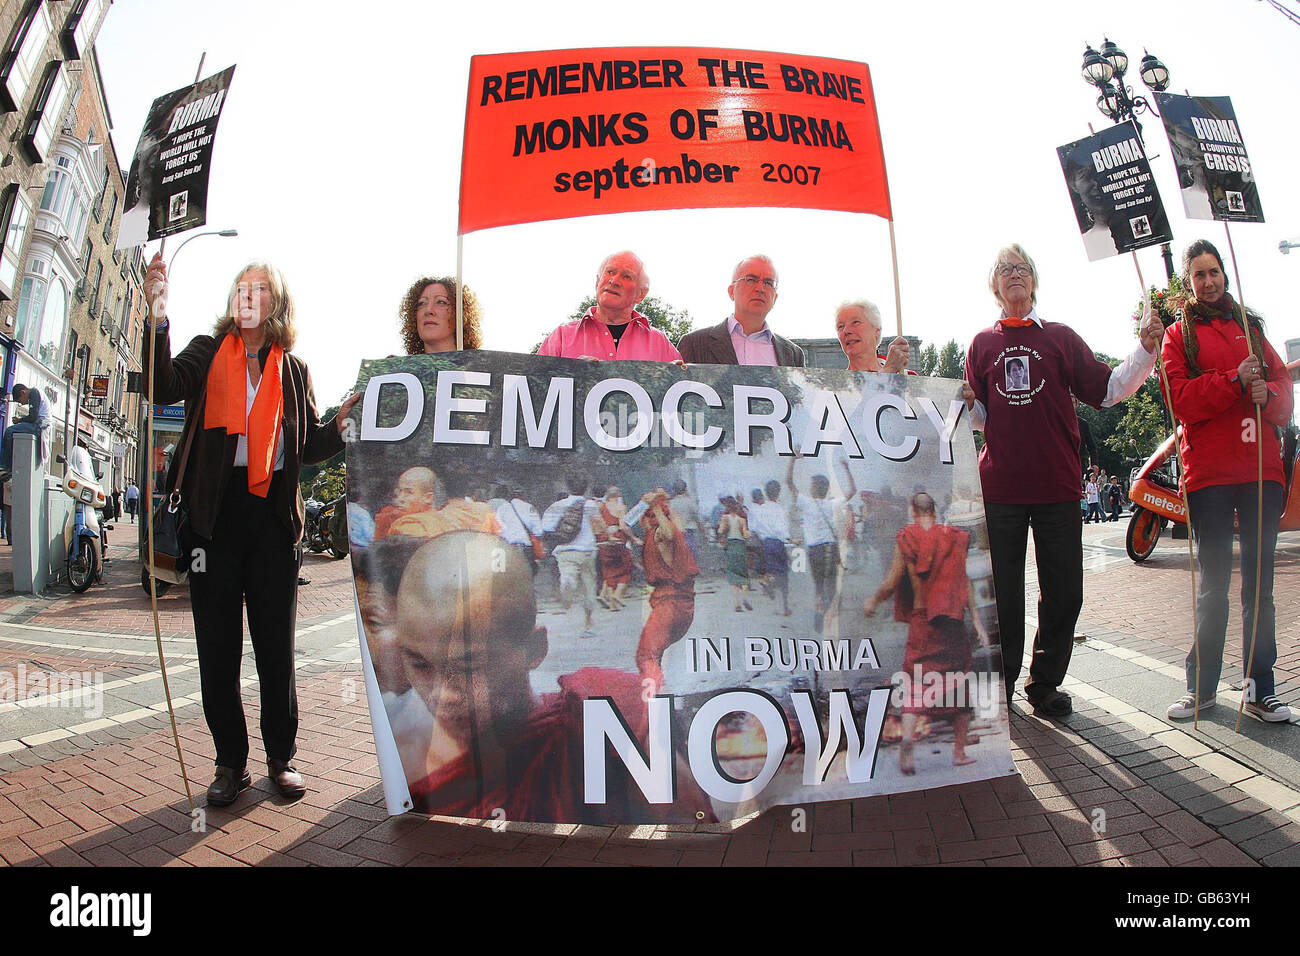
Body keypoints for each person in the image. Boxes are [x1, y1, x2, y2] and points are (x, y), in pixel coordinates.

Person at [141, 252, 357, 806]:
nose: (248, 295)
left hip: (271, 521)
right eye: (241, 286)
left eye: (260, 288)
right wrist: (157, 315)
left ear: (275, 303)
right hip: (212, 520)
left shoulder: (294, 369)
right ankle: (229, 763)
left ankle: (281, 759)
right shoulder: (207, 351)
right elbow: (161, 385)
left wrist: (340, 426)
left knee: (275, 650)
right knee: (217, 649)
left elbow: (306, 445)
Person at [962, 243, 1162, 718]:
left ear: (1034, 281)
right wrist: (964, 399)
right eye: (1004, 269)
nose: (1014, 275)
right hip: (1001, 491)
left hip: (1057, 488)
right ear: (994, 286)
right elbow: (977, 418)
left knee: (1065, 592)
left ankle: (1044, 683)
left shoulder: (1061, 337)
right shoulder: (980, 345)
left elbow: (1108, 390)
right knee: (1003, 596)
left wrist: (1144, 350)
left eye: (1022, 268)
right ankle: (1003, 685)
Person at [397, 531, 711, 821]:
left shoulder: (602, 719)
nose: (442, 696)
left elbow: (686, 836)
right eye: (420, 665)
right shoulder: (415, 767)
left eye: (468, 667)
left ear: (535, 650)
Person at [1160, 239, 1294, 723]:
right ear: (1188, 282)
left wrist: (1270, 393)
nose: (1208, 281)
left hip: (1262, 473)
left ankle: (1260, 689)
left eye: (1213, 271)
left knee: (1260, 588)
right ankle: (1202, 688)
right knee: (1213, 585)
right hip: (1210, 477)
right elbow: (1180, 400)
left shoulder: (1252, 328)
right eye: (1198, 274)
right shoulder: (1178, 336)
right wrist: (1235, 382)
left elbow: (1283, 393)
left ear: (1224, 273)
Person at [864, 493, 990, 775]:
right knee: (959, 688)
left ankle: (907, 742)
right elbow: (963, 583)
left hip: (923, 623)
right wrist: (979, 624)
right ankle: (958, 753)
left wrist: (873, 600)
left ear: (912, 511)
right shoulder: (954, 538)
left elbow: (892, 580)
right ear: (936, 510)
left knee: (914, 685)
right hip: (952, 625)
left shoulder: (907, 538)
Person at [537, 251, 681, 362]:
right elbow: (535, 386)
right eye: (610, 272)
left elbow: (686, 394)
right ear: (597, 281)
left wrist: (672, 376)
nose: (614, 281)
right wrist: (571, 374)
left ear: (641, 294)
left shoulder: (660, 343)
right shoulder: (561, 338)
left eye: (626, 276)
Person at [677, 255, 804, 366]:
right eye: (751, 280)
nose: (760, 288)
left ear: (775, 298)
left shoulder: (793, 355)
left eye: (768, 283)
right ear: (732, 292)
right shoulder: (695, 344)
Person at [634, 491, 700, 691]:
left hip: (669, 604)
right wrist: (655, 503)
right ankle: (660, 688)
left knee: (646, 655)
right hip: (684, 606)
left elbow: (668, 533)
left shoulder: (661, 534)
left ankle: (653, 699)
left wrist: (654, 505)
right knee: (657, 652)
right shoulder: (676, 528)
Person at [787, 454, 856, 635]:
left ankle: (819, 612)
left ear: (814, 488)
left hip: (815, 548)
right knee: (831, 585)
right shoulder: (832, 504)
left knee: (818, 584)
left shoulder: (807, 503)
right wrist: (846, 468)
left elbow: (789, 483)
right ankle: (831, 617)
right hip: (831, 547)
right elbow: (852, 491)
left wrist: (793, 460)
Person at [542, 476, 602, 637]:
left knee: (568, 575)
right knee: (589, 587)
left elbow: (545, 528)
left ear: (568, 487)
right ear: (586, 487)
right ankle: (588, 625)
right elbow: (599, 526)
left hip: (565, 551)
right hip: (587, 550)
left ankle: (567, 583)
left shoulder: (557, 505)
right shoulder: (590, 505)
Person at [399, 276, 482, 354]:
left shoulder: (481, 366)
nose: (428, 310)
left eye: (441, 302)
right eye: (422, 303)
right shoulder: (397, 368)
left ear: (462, 313)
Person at [834, 300, 910, 373]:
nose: (846, 330)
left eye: (855, 322)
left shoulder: (906, 377)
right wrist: (889, 369)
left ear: (877, 330)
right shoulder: (834, 384)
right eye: (841, 326)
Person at [595, 486, 638, 610]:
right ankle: (616, 596)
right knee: (626, 569)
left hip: (604, 540)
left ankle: (610, 601)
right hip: (618, 540)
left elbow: (596, 523)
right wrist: (633, 538)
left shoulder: (601, 506)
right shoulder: (620, 507)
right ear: (617, 496)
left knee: (609, 571)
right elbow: (623, 526)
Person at [0, 383, 51, 480]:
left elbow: (32, 417)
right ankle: (9, 466)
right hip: (40, 426)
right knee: (12, 432)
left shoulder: (34, 393)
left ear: (23, 392)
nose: (23, 404)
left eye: (21, 401)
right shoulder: (36, 393)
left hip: (39, 427)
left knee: (9, 431)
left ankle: (4, 466)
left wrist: (19, 420)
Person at [374, 466, 436, 539]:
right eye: (400, 491)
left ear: (427, 498)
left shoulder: (408, 526)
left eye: (409, 492)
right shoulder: (440, 519)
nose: (400, 498)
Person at [494, 484, 543, 570]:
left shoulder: (502, 508)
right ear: (523, 495)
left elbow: (497, 528)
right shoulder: (530, 508)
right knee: (526, 577)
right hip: (525, 547)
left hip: (507, 547)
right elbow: (538, 531)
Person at [717, 496, 752, 613]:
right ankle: (745, 598)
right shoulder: (741, 520)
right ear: (736, 508)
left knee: (733, 575)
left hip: (731, 547)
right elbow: (746, 534)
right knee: (743, 574)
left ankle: (737, 603)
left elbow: (720, 531)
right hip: (741, 547)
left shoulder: (724, 518)